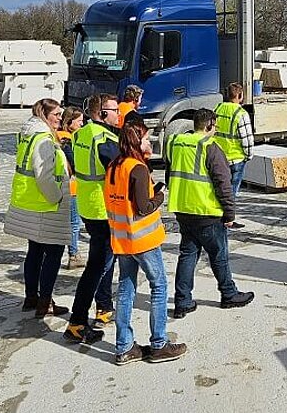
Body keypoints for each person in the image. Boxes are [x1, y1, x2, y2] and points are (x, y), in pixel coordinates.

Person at [106, 112, 187, 365]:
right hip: (143, 240)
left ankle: (124, 347)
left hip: (121, 239)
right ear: (136, 142)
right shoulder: (138, 169)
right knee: (159, 286)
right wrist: (160, 195)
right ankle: (159, 343)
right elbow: (143, 207)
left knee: (126, 289)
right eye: (147, 140)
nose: (150, 144)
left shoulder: (115, 166)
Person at [168, 108, 255, 318]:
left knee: (188, 255)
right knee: (219, 255)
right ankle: (229, 294)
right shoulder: (211, 147)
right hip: (207, 211)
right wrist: (230, 214)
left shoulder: (176, 142)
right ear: (209, 125)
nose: (215, 130)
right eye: (214, 126)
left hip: (183, 209)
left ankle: (183, 301)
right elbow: (223, 185)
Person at [4, 98, 73, 318]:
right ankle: (45, 302)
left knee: (34, 251)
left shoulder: (27, 134)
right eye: (56, 114)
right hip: (46, 205)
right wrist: (57, 197)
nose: (60, 119)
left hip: (30, 201)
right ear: (44, 114)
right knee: (53, 253)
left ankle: (31, 297)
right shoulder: (43, 138)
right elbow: (43, 174)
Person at [64, 94, 120, 344]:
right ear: (102, 113)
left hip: (87, 205)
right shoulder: (105, 139)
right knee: (98, 267)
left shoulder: (80, 134)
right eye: (114, 110)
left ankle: (104, 308)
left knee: (103, 262)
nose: (119, 114)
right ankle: (77, 322)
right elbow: (118, 173)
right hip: (103, 209)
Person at [213, 82, 253, 230]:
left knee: (219, 189)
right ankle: (228, 220)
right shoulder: (240, 114)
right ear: (240, 96)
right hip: (235, 158)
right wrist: (248, 155)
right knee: (232, 192)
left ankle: (217, 216)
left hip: (218, 157)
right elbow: (247, 138)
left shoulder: (218, 108)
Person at [57, 106, 86, 269]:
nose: (82, 124)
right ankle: (74, 254)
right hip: (72, 187)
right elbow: (74, 165)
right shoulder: (67, 141)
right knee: (74, 223)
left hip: (60, 186)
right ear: (69, 122)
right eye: (79, 121)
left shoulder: (56, 136)